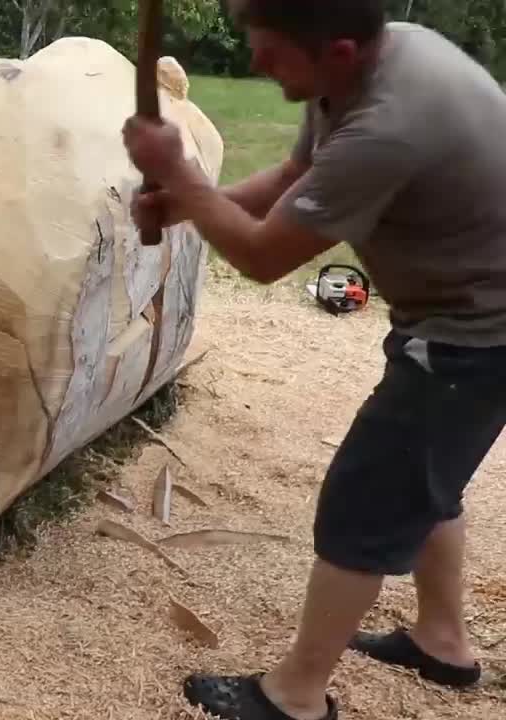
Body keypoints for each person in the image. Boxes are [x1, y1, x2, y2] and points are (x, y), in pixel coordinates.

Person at [122, 2, 506, 719]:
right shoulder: (370, 67)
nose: (256, 65)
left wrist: (184, 175)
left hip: (477, 338)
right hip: (456, 317)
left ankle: (293, 698)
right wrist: (182, 203)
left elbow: (265, 256)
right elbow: (299, 176)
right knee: (427, 482)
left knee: (363, 507)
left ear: (338, 51)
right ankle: (442, 641)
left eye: (271, 53)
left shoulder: (391, 124)